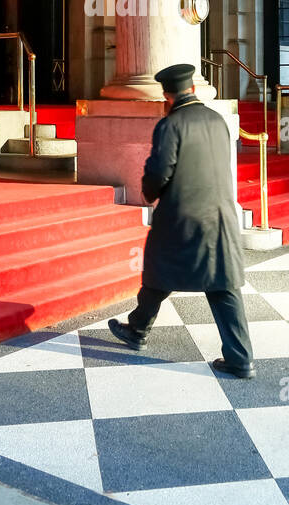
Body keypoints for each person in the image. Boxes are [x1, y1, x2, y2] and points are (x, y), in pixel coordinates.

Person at [108, 62, 255, 378]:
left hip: (182, 216)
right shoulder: (217, 120)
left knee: (158, 267)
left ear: (167, 95)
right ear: (191, 89)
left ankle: (138, 329)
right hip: (221, 215)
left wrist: (149, 191)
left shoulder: (170, 124)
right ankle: (240, 358)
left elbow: (160, 170)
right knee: (222, 283)